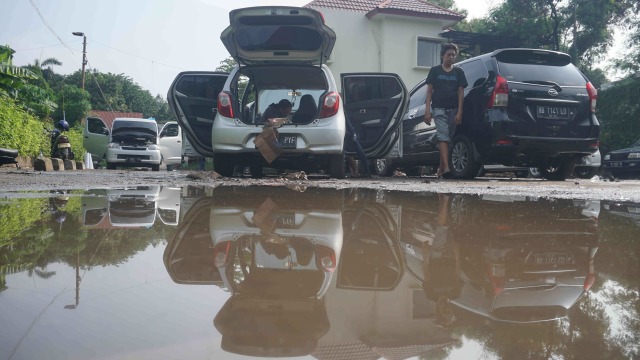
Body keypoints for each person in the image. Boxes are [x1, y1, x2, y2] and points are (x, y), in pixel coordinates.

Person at [424, 43, 468, 179]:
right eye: (449, 54)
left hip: (454, 110)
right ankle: (447, 168)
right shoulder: (435, 71)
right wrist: (427, 111)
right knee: (443, 136)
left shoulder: (459, 72)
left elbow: (461, 93)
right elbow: (429, 92)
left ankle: (441, 169)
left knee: (447, 140)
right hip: (439, 109)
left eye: (454, 55)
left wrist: (460, 112)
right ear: (442, 56)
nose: (451, 57)